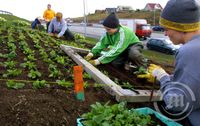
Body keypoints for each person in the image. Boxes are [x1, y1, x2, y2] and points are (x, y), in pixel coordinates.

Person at [137, 0, 200, 125]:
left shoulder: (189, 51)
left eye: (167, 29)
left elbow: (176, 103)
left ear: (180, 26)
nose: (165, 33)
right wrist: (168, 78)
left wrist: (163, 78)